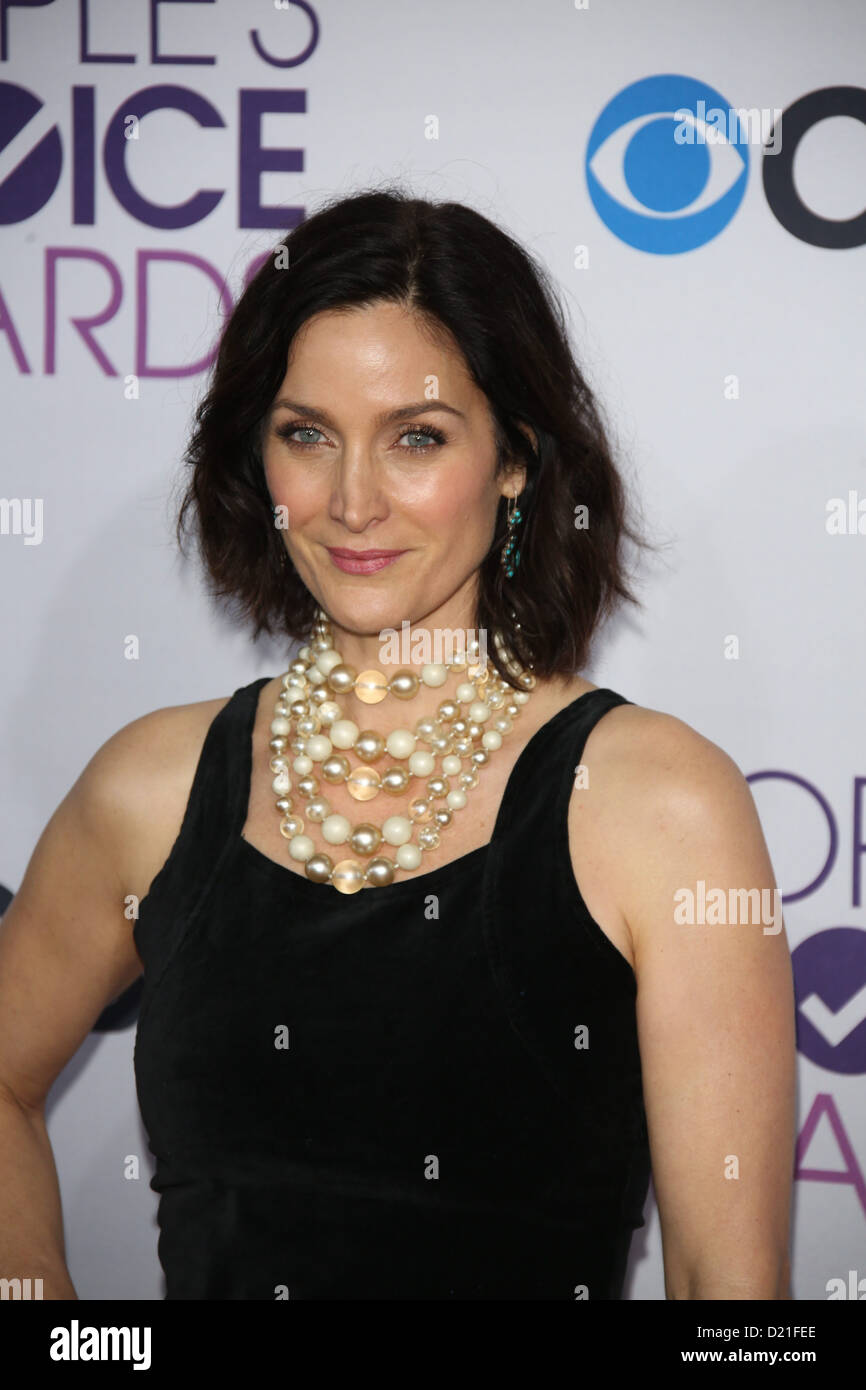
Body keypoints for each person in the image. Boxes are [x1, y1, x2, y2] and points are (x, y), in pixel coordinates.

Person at [0, 187, 795, 1300]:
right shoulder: (153, 784)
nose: (352, 500)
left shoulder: (657, 803)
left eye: (415, 438)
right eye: (306, 437)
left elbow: (731, 1295)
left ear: (515, 459)